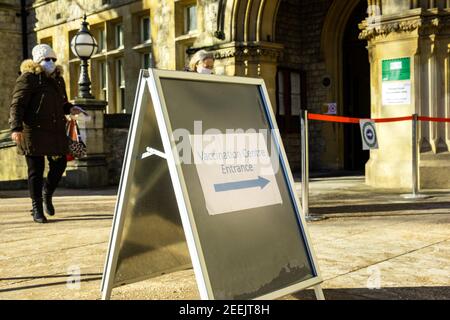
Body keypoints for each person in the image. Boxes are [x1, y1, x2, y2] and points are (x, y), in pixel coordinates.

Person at [9, 44, 81, 224]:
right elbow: (17, 104)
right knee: (36, 170)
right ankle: (37, 207)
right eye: (46, 59)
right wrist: (16, 128)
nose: (51, 62)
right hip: (32, 131)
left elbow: (61, 102)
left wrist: (70, 107)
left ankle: (47, 192)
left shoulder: (58, 79)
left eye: (53, 59)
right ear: (37, 61)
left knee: (60, 164)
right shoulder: (28, 78)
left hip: (55, 130)